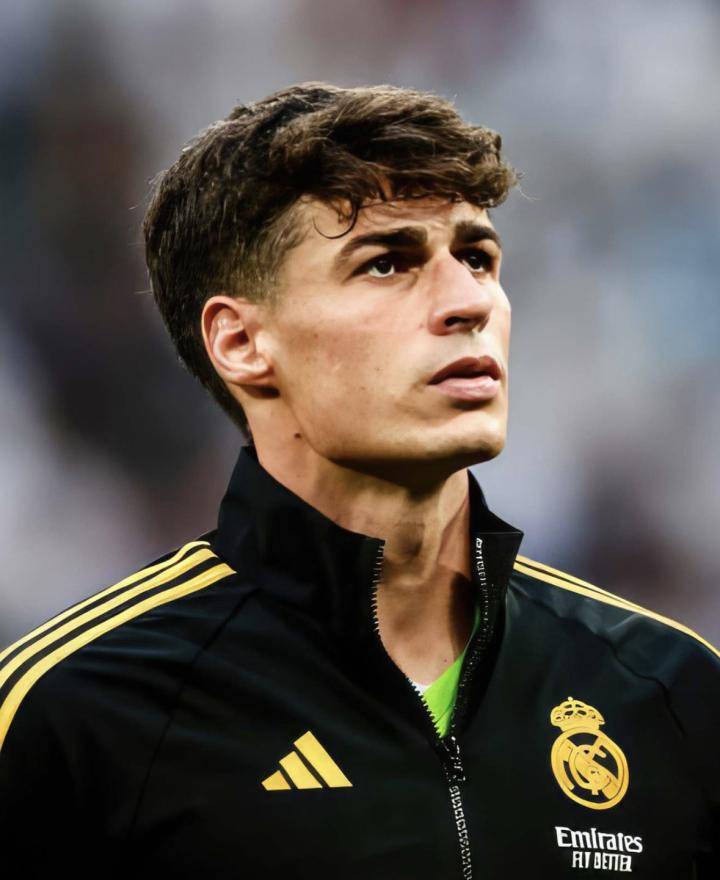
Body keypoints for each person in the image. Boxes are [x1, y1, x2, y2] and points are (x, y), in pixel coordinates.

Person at [0, 82, 717, 880]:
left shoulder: (670, 691)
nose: (468, 302)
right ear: (240, 343)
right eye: (387, 264)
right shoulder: (74, 715)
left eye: (477, 258)